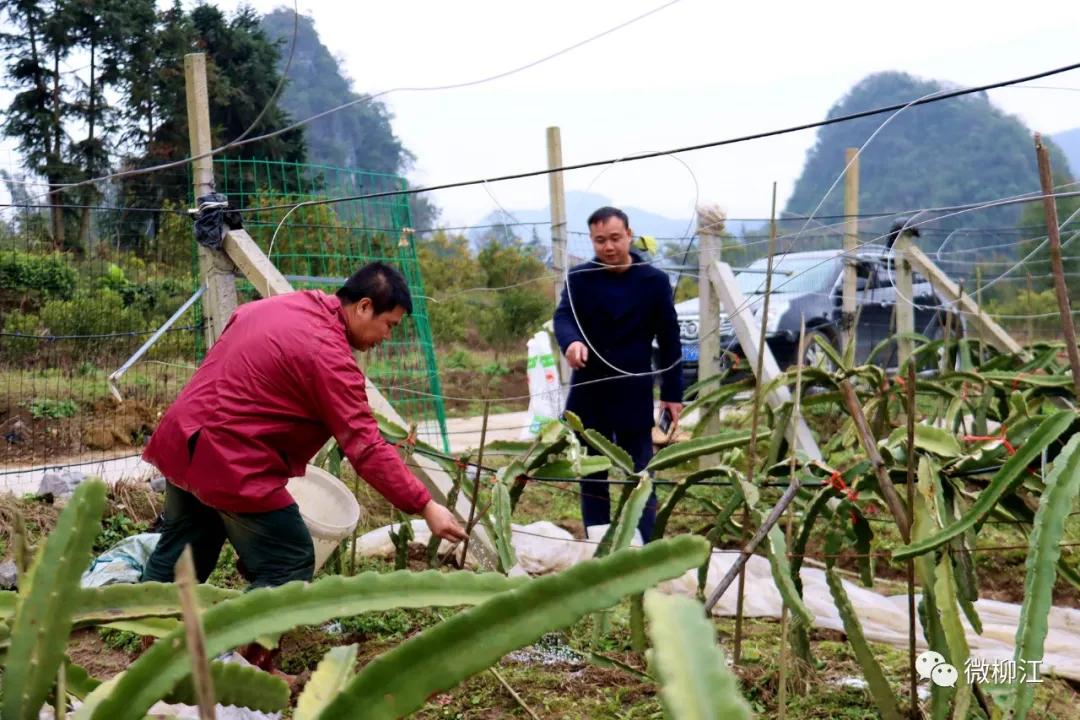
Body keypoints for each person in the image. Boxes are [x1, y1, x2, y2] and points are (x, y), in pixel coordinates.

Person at [141, 260, 467, 586]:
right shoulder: (331, 356)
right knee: (289, 560)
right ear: (365, 307)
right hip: (231, 462)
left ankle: (146, 631)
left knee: (183, 552)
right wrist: (425, 506)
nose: (387, 336)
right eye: (389, 325)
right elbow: (366, 447)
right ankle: (247, 637)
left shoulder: (283, 305)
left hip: (183, 439)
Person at [553, 206, 683, 542]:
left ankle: (645, 544)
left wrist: (672, 394)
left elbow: (669, 340)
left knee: (639, 472)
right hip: (589, 389)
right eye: (600, 241)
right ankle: (598, 545)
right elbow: (563, 317)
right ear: (592, 241)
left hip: (634, 388)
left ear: (629, 234)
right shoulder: (579, 279)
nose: (608, 247)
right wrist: (571, 343)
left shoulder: (653, 282)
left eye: (614, 238)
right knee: (592, 474)